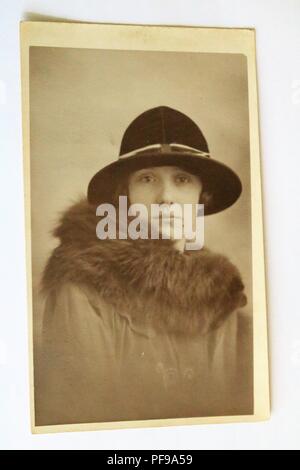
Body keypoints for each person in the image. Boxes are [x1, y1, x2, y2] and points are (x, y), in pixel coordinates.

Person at [35, 106, 253, 426]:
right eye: (147, 179)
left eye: (182, 179)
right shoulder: (83, 287)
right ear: (126, 194)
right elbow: (83, 419)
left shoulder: (223, 299)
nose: (166, 197)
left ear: (201, 197)